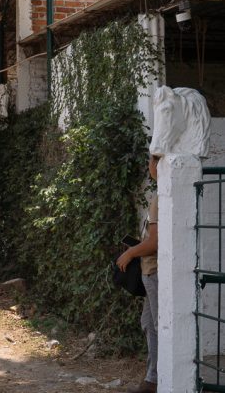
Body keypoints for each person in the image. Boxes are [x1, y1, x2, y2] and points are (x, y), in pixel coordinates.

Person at [117, 154, 160, 393]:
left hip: (154, 271)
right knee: (149, 323)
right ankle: (152, 378)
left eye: (152, 161)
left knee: (157, 325)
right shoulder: (161, 194)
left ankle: (154, 380)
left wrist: (131, 253)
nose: (149, 166)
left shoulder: (160, 197)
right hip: (150, 271)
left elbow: (154, 242)